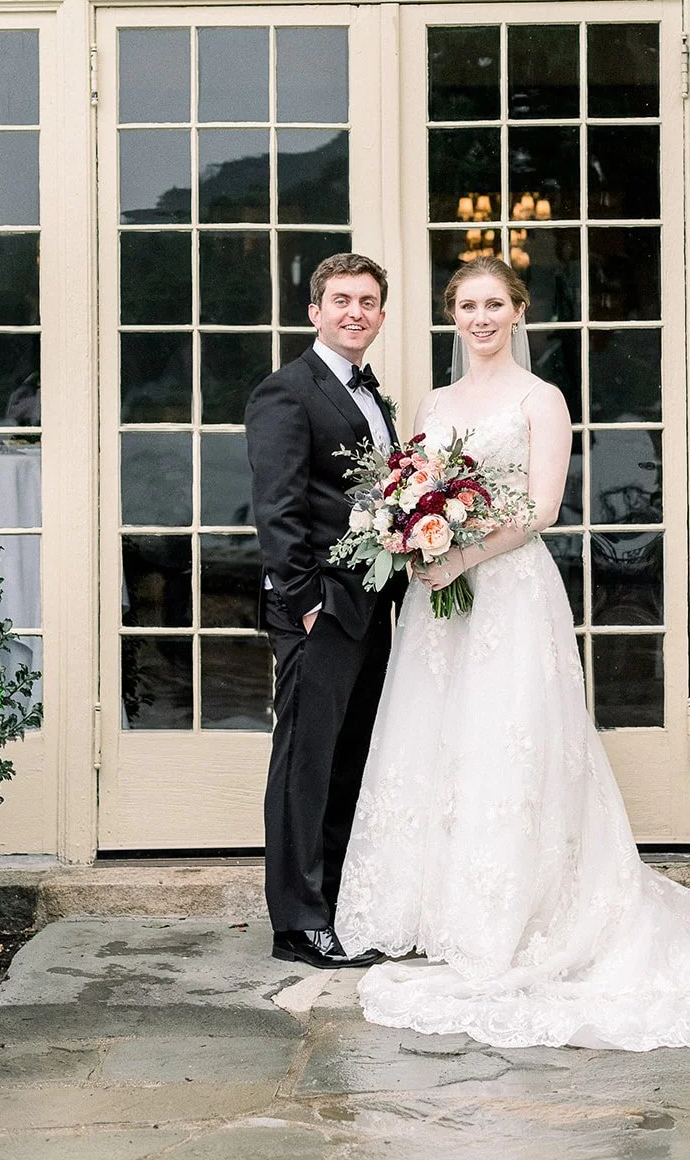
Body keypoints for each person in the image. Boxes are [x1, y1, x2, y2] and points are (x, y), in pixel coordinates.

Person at [335, 257, 690, 1050]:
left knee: (513, 745)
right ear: (451, 314)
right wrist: (414, 536)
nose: (480, 317)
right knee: (439, 741)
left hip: (507, 592)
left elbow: (539, 506)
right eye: (467, 305)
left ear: (518, 311)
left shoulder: (542, 399)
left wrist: (464, 554)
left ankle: (515, 912)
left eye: (493, 304)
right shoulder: (434, 403)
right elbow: (410, 484)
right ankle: (433, 908)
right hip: (441, 604)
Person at [245, 252, 406, 969]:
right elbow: (276, 509)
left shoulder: (376, 397)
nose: (355, 312)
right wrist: (306, 604)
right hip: (319, 608)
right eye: (341, 299)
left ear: (379, 313)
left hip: (372, 605)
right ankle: (297, 922)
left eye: (368, 301)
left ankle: (334, 902)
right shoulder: (286, 392)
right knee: (304, 763)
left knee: (348, 760)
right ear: (314, 311)